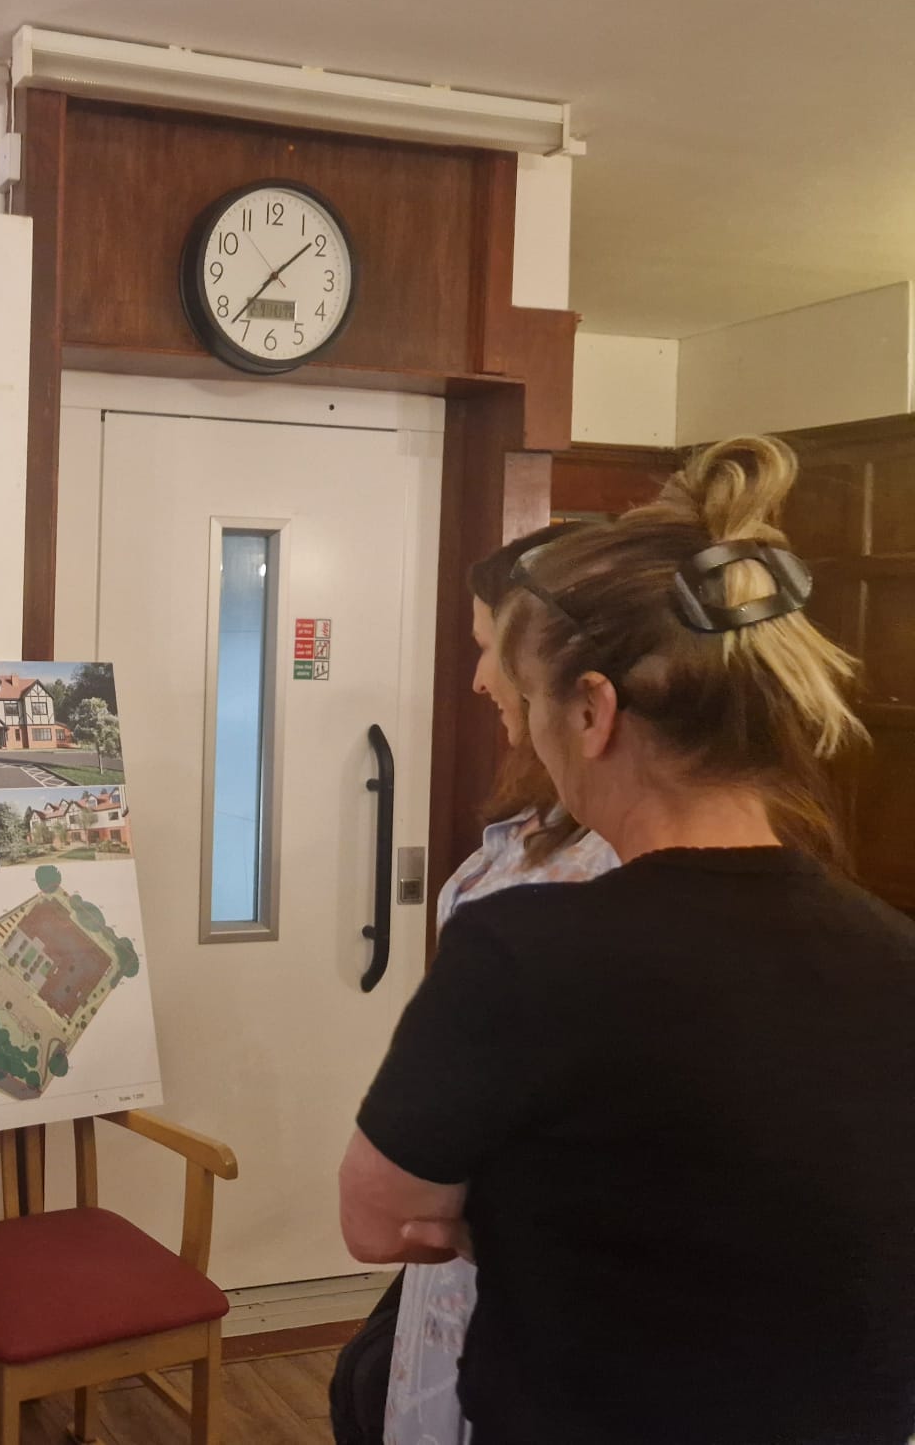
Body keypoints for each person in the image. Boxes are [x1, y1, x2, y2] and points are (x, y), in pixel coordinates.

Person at [341, 435, 915, 1445]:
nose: (511, 716)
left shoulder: (527, 951)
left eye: (525, 695)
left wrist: (525, 1216)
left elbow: (379, 1219)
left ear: (592, 710)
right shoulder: (889, 952)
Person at [328, 524, 617, 1445]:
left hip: (525, 1277)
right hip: (472, 1259)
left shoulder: (586, 887)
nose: (479, 679)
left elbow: (379, 1212)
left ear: (585, 699)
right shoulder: (541, 832)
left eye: (491, 649)